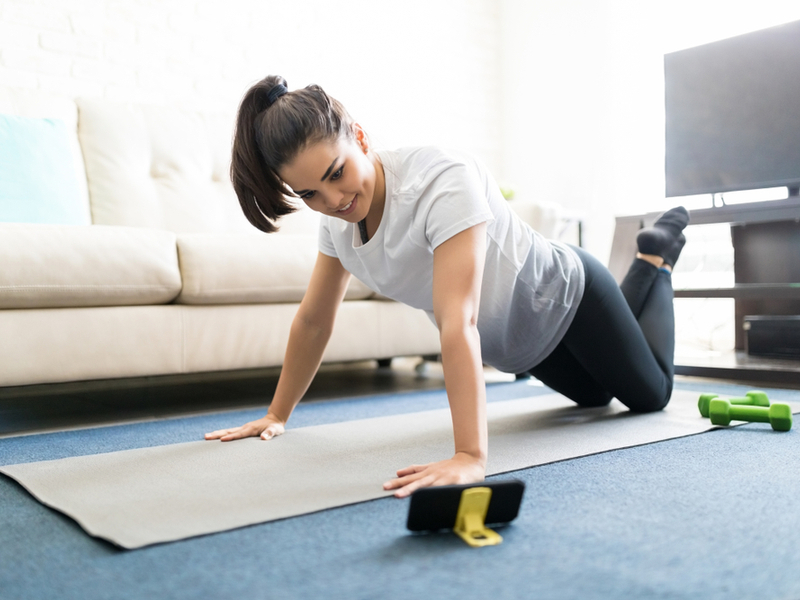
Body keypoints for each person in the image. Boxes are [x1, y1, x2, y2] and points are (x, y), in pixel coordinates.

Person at [204, 75, 690, 499]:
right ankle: (646, 271)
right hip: (522, 346)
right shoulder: (335, 225)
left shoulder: (440, 180)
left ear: (360, 137)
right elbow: (314, 320)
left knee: (652, 396)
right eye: (310, 193)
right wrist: (276, 414)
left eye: (337, 173)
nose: (334, 200)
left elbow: (459, 320)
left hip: (567, 295)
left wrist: (469, 456)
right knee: (594, 398)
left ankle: (655, 259)